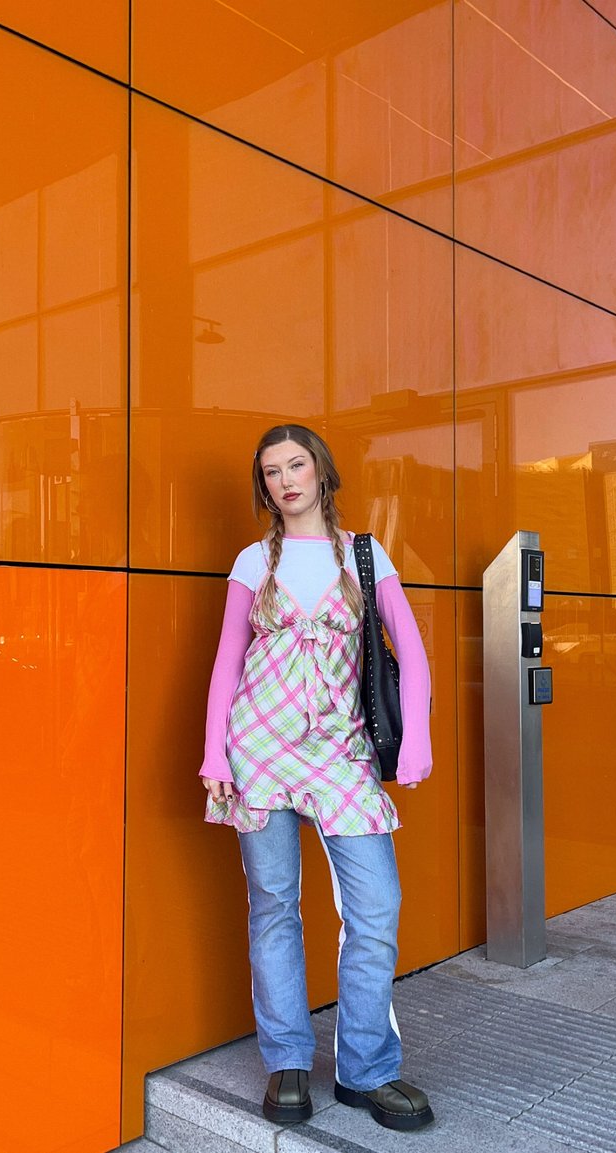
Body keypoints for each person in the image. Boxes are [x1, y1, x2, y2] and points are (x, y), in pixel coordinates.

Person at [199, 424, 434, 1132]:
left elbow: (412, 652)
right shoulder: (251, 561)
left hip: (341, 752)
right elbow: (225, 666)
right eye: (271, 472)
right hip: (260, 750)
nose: (285, 480)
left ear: (321, 471)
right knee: (274, 907)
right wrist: (215, 755)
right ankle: (288, 1061)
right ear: (263, 486)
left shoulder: (364, 554)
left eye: (296, 464)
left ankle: (367, 1069)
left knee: (376, 908)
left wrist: (415, 739)